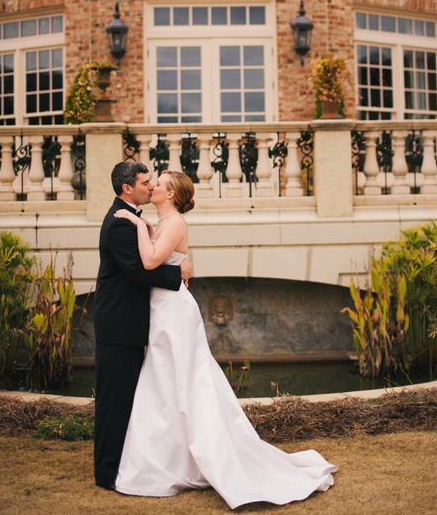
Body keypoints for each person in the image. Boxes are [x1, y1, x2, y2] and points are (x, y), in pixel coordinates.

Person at [112, 170, 338, 508]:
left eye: (158, 183)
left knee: (187, 382)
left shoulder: (173, 223)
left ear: (171, 193)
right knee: (164, 383)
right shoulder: (162, 222)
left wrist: (135, 225)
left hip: (174, 313)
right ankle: (171, 459)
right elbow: (164, 258)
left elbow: (149, 261)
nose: (153, 186)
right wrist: (145, 227)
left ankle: (197, 456)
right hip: (163, 309)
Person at [94, 161, 193, 490]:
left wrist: (145, 227)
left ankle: (125, 463)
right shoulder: (121, 222)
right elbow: (140, 269)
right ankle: (108, 474)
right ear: (128, 189)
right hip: (120, 324)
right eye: (145, 182)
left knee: (129, 397)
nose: (150, 186)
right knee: (114, 401)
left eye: (154, 182)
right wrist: (178, 274)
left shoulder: (134, 218)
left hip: (133, 320)